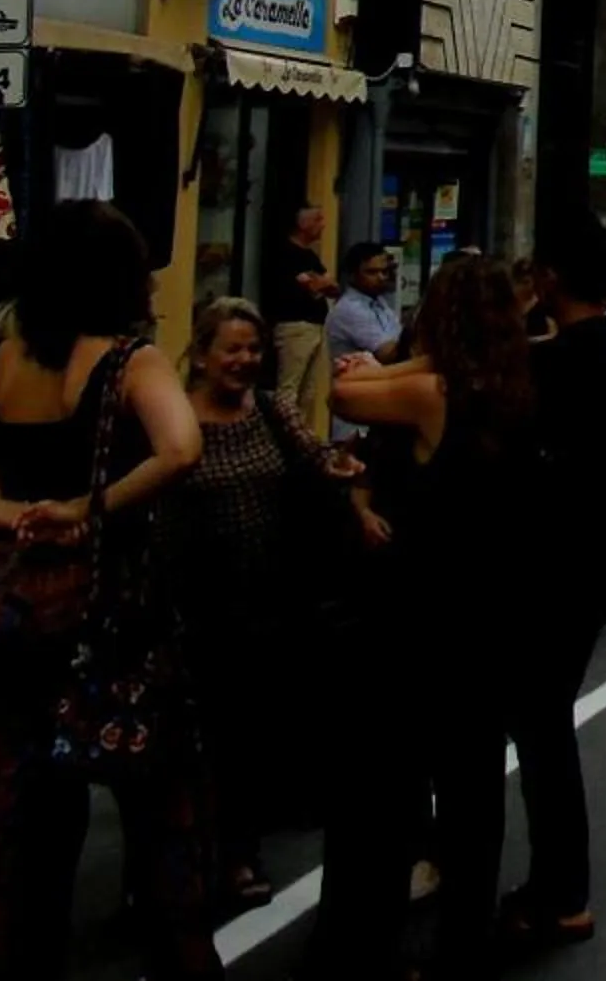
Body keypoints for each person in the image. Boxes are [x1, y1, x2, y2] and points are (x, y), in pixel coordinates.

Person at [0, 200, 216, 979]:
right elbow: (181, 449)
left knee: (6, 816)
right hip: (108, 610)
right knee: (160, 812)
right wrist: (87, 511)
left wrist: (20, 515)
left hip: (5, 612)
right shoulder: (129, 362)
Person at [314, 255, 543, 977]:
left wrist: (381, 356)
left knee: (387, 788)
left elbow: (345, 391)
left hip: (419, 617)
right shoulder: (510, 386)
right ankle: (465, 943)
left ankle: (370, 945)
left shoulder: (430, 389)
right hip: (489, 614)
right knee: (474, 792)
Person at [166, 296, 366, 910]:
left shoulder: (273, 411)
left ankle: (237, 855)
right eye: (233, 350)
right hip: (189, 605)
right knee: (183, 747)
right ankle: (174, 863)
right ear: (201, 356)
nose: (245, 361)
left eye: (254, 350)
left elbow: (312, 462)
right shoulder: (172, 421)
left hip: (266, 600)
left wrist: (345, 475)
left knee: (246, 740)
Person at [501, 223, 606, 949]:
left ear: (554, 281)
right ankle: (560, 888)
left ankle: (561, 891)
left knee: (540, 721)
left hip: (555, 556)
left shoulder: (551, 363)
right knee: (545, 717)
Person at [261, 202, 338, 436]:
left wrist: (320, 283)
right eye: (317, 220)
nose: (323, 226)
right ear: (302, 224)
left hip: (315, 326)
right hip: (294, 327)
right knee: (289, 390)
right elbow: (316, 284)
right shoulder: (285, 253)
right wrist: (320, 283)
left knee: (309, 393)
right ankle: (282, 437)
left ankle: (302, 439)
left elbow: (331, 286)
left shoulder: (310, 256)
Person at [324, 242, 401, 439]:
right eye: (371, 272)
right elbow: (388, 353)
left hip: (377, 403)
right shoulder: (351, 309)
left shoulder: (380, 304)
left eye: (384, 272)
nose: (381, 278)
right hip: (356, 412)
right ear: (352, 275)